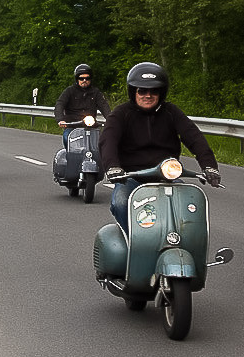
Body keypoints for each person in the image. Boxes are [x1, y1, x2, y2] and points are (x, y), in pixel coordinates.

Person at [100, 62, 221, 231]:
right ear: (133, 91)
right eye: (142, 91)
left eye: (154, 91)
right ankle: (133, 240)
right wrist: (113, 167)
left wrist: (209, 166)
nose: (148, 95)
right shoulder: (121, 114)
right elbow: (108, 140)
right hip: (131, 177)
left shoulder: (171, 112)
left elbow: (194, 137)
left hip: (167, 178)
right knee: (120, 202)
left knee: (189, 206)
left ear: (161, 92)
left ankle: (181, 241)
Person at [54, 63, 112, 143]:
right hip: (73, 126)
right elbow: (60, 104)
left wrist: (111, 120)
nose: (84, 80)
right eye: (81, 78)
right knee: (67, 138)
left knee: (103, 141)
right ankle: (69, 151)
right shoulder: (69, 91)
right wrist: (60, 119)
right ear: (77, 79)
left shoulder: (95, 92)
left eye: (87, 78)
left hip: (91, 126)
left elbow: (104, 106)